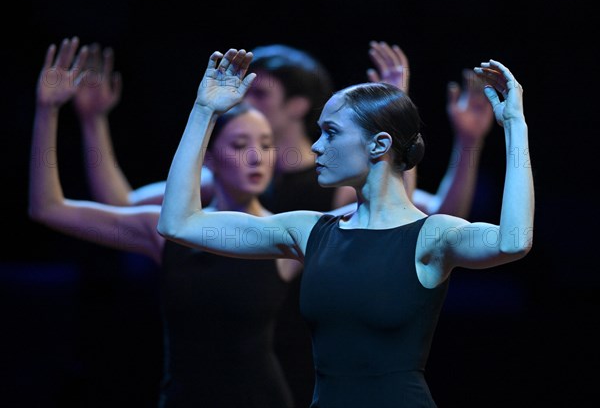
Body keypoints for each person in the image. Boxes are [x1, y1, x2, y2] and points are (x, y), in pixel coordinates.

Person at [157, 48, 534, 408]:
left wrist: (514, 125)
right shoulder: (310, 231)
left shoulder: (431, 236)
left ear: (378, 144)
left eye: (331, 133)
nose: (317, 147)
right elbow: (179, 222)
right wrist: (204, 111)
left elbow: (513, 240)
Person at [28, 37, 300, 408]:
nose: (257, 157)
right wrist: (48, 113)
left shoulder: (288, 233)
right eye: (239, 146)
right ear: (209, 158)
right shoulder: (167, 229)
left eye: (267, 144)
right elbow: (48, 208)